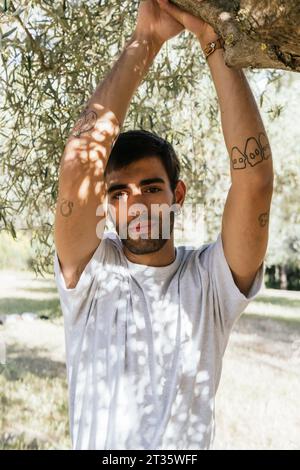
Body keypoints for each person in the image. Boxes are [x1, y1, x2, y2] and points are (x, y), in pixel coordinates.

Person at [53, 0, 273, 450]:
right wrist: (145, 41)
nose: (134, 204)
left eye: (151, 188)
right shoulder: (91, 274)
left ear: (177, 195)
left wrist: (213, 40)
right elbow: (78, 167)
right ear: (106, 207)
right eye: (118, 193)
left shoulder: (211, 282)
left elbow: (255, 184)